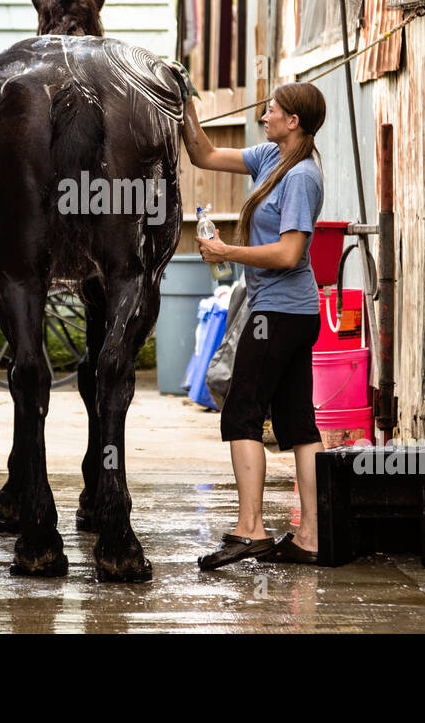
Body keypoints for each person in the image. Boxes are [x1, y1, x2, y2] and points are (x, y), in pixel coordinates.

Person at [180, 81, 327, 569]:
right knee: (299, 424)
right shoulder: (270, 157)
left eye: (272, 111)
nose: (264, 116)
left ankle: (250, 530)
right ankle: (311, 537)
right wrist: (181, 98)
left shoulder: (301, 176)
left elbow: (289, 253)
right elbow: (202, 153)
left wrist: (226, 252)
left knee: (242, 412)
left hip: (281, 313)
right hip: (289, 312)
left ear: (294, 123)